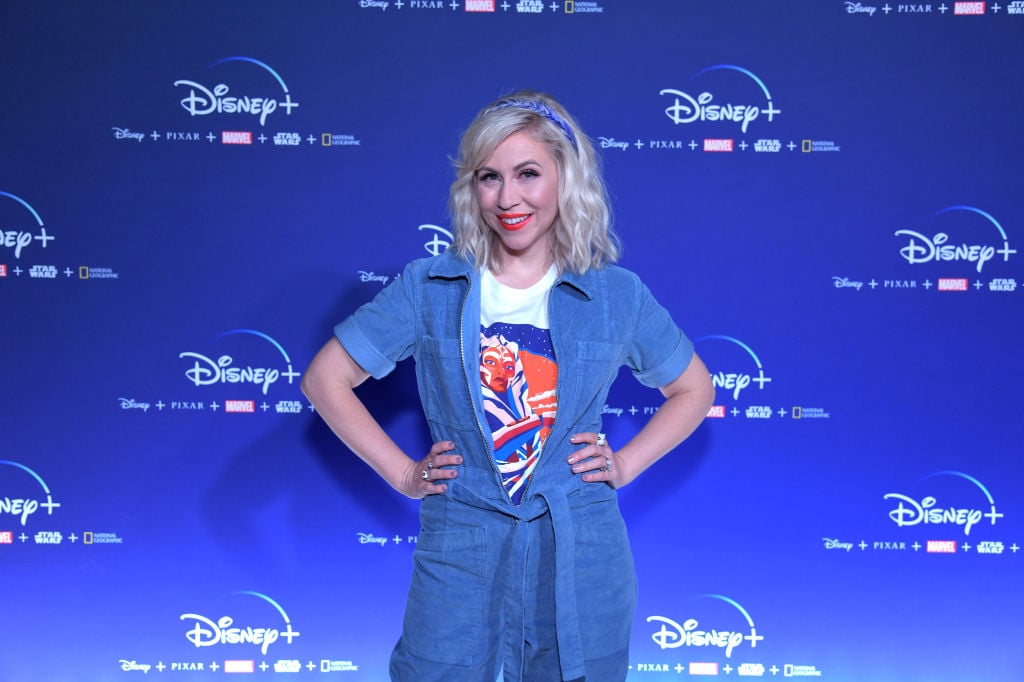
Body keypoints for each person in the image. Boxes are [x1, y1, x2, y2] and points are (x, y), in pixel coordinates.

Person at [302, 90, 715, 682]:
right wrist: (402, 473)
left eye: (528, 174)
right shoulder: (430, 286)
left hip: (580, 549)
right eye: (489, 177)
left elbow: (694, 389)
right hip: (461, 544)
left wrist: (623, 464)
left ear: (565, 179)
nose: (508, 197)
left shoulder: (616, 294)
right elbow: (326, 378)